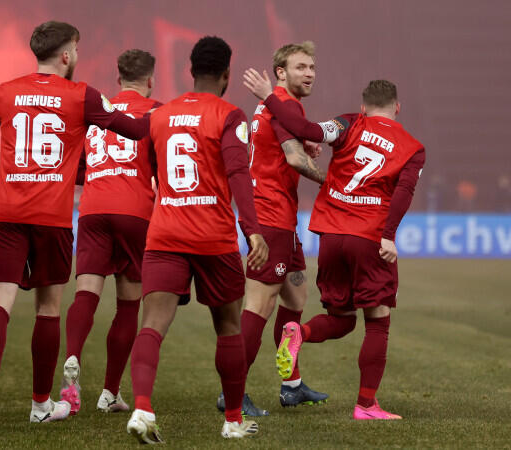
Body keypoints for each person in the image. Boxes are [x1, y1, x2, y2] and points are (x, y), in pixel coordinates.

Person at [0, 21, 149, 429]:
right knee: (48, 310)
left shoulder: (5, 90)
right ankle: (39, 405)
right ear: (67, 55)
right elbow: (137, 130)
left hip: (9, 214)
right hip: (51, 220)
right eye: (77, 51)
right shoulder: (83, 94)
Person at [244, 72, 425, 420]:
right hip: (369, 237)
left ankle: (300, 332)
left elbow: (309, 129)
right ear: (397, 108)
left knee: (342, 318)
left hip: (330, 234)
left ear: (363, 106)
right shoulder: (413, 147)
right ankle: (367, 406)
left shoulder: (348, 122)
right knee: (377, 322)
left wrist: (269, 98)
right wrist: (389, 235)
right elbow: (403, 194)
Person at [125, 36, 269, 444]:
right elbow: (239, 173)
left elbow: (155, 168)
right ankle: (233, 420)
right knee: (227, 327)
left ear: (190, 71)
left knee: (152, 325)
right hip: (213, 236)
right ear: (226, 74)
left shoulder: (161, 114)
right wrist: (253, 229)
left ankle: (142, 408)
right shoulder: (229, 114)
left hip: (166, 232)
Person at [217, 42, 328, 416]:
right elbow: (295, 159)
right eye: (301, 67)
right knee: (259, 306)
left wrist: (301, 144)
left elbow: (288, 147)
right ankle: (232, 394)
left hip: (282, 218)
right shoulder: (285, 104)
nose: (310, 73)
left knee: (295, 299)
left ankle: (291, 384)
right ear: (281, 72)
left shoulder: (275, 105)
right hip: (271, 218)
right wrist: (334, 185)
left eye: (312, 67)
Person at [60, 48, 162, 415]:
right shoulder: (157, 111)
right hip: (136, 211)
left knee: (86, 293)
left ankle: (72, 358)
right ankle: (109, 392)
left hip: (93, 209)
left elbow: (77, 166)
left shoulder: (96, 111)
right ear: (150, 79)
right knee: (128, 303)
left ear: (118, 78)